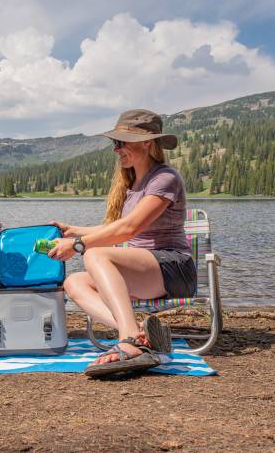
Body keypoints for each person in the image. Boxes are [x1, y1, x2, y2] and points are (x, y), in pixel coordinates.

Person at [48, 109, 196, 377]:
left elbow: (129, 229)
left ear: (146, 143)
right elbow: (115, 229)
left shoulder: (165, 178)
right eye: (114, 143)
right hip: (147, 272)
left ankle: (129, 341)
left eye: (121, 142)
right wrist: (73, 232)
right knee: (74, 282)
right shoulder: (134, 184)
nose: (116, 150)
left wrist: (79, 245)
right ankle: (138, 332)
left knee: (95, 256)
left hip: (174, 269)